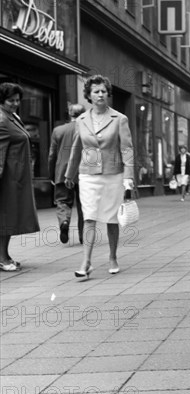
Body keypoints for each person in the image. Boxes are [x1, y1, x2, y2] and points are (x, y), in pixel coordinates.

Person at [65, 75, 134, 279]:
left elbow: (127, 149)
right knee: (89, 218)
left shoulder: (120, 119)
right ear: (89, 95)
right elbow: (77, 148)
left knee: (112, 219)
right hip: (88, 174)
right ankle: (86, 262)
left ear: (108, 94)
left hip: (114, 174)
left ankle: (112, 257)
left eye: (103, 91)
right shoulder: (81, 120)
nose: (100, 94)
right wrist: (69, 174)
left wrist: (128, 176)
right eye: (96, 91)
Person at [0, 82, 40, 271]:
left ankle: (5, 255)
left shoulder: (11, 116)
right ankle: (2, 258)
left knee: (10, 216)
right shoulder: (1, 119)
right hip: (7, 177)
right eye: (11, 100)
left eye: (17, 100)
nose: (15, 103)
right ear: (2, 100)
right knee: (6, 216)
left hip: (15, 175)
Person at [48, 104, 86, 244]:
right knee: (84, 205)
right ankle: (83, 235)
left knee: (62, 201)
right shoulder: (87, 129)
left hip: (62, 172)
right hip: (83, 172)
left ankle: (64, 221)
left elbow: (52, 155)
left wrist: (51, 173)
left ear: (70, 114)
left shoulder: (58, 130)